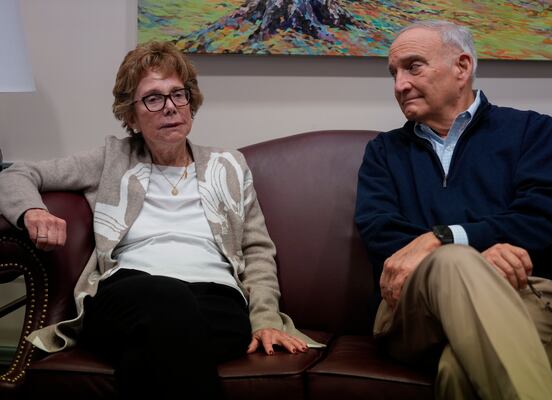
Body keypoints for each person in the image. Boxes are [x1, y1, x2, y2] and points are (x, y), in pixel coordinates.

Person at [0, 41, 322, 399]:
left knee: (158, 340)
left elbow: (257, 251)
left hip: (217, 302)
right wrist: (33, 211)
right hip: (127, 295)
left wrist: (263, 320)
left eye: (178, 95)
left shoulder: (228, 166)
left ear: (191, 102)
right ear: (131, 115)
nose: (169, 107)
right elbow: (15, 174)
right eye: (153, 98)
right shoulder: (112, 158)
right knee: (166, 298)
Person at [355, 20, 552, 399]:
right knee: (453, 262)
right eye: (393, 73)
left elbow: (543, 215)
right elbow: (380, 232)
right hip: (414, 311)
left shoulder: (532, 131)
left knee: (457, 372)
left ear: (462, 67)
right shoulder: (384, 152)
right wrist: (470, 256)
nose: (399, 85)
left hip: (530, 296)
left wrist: (441, 237)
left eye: (413, 67)